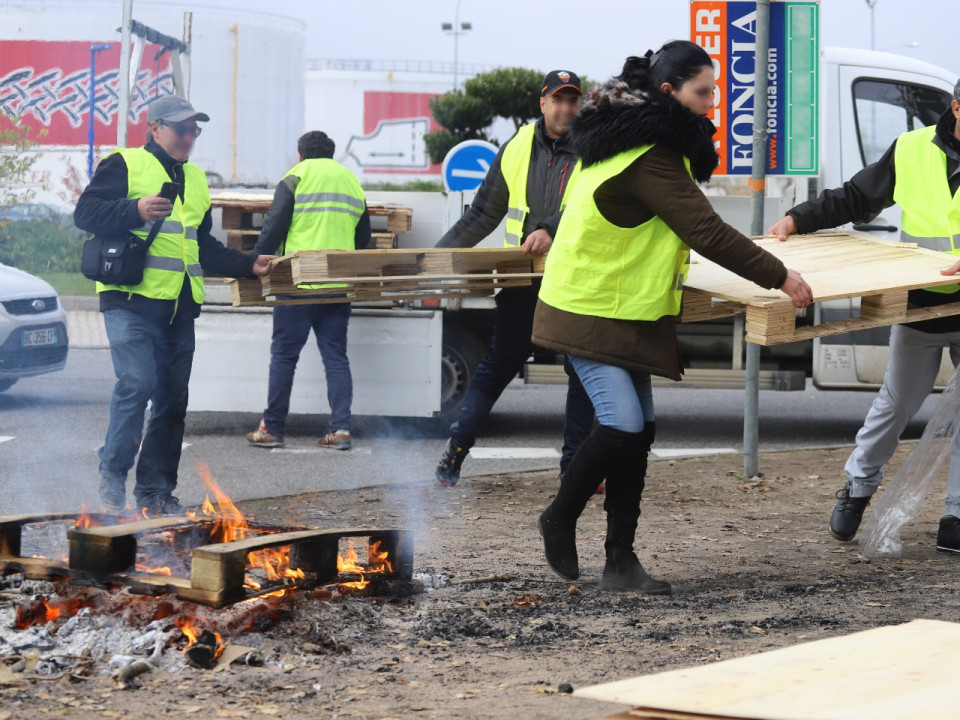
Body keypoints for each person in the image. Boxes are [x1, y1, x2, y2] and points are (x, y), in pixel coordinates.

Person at [532, 42, 813, 593]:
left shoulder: (637, 142)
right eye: (702, 92)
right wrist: (780, 276)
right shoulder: (650, 156)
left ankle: (620, 563)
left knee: (640, 432)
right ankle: (559, 516)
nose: (712, 103)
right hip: (585, 309)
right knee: (621, 426)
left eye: (714, 91)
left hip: (626, 310)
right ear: (668, 94)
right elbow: (705, 230)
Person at [768, 78, 960, 553]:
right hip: (920, 306)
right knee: (897, 404)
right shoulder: (913, 150)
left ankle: (956, 516)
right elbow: (857, 196)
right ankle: (857, 488)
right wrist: (798, 217)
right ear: (957, 108)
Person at [74, 95, 275, 516]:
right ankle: (112, 472)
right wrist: (135, 209)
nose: (188, 137)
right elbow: (85, 213)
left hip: (178, 308)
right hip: (130, 300)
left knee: (171, 400)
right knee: (138, 384)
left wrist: (247, 264)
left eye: (194, 131)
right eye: (181, 129)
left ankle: (155, 493)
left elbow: (201, 246)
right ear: (155, 129)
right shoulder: (125, 163)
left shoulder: (198, 180)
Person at [434, 69, 595, 488]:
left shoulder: (596, 146)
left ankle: (574, 469)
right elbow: (482, 213)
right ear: (542, 103)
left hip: (576, 280)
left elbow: (595, 204)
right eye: (558, 100)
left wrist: (551, 228)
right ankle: (455, 453)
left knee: (582, 376)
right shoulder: (518, 146)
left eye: (572, 100)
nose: (565, 108)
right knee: (495, 369)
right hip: (524, 283)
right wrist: (437, 257)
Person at [245, 131, 371, 451]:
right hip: (337, 286)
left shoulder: (296, 176)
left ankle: (272, 429)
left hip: (297, 282)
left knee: (285, 357)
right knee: (336, 357)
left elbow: (274, 225)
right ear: (331, 154)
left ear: (301, 155)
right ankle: (340, 429)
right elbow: (364, 237)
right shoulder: (350, 181)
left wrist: (252, 263)